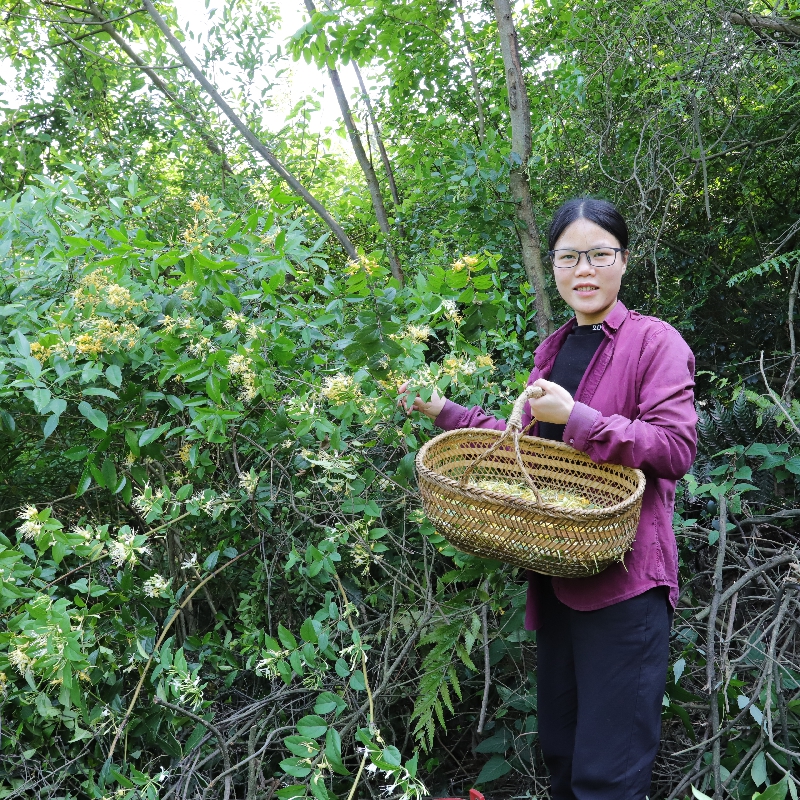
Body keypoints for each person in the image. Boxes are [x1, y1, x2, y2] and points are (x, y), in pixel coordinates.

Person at [400, 198, 697, 800]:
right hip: (560, 576)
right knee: (562, 753)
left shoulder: (653, 343)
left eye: (598, 255)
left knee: (607, 775)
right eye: (569, 257)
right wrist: (444, 411)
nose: (583, 270)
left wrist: (580, 416)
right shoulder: (555, 347)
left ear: (623, 261)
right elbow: (528, 453)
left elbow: (674, 447)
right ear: (553, 265)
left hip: (626, 585)